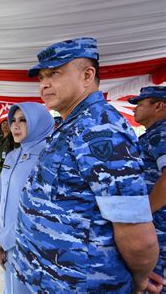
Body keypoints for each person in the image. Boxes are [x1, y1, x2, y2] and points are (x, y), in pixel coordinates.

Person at [12, 37, 162, 293]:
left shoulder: (101, 129)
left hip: (81, 284)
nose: (44, 84)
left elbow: (136, 233)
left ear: (87, 75)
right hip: (48, 278)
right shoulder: (73, 124)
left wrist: (139, 278)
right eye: (41, 77)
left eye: (55, 73)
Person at [0, 102, 53, 294]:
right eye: (13, 120)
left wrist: (2, 241)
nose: (15, 125)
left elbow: (38, 212)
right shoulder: (12, 155)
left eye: (23, 120)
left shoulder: (48, 159)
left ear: (39, 123)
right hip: (5, 243)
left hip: (29, 247)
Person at [130, 86, 166, 286]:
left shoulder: (161, 133)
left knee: (152, 284)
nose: (135, 109)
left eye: (140, 104)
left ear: (158, 106)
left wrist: (142, 214)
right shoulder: (153, 134)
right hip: (154, 229)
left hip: (158, 231)